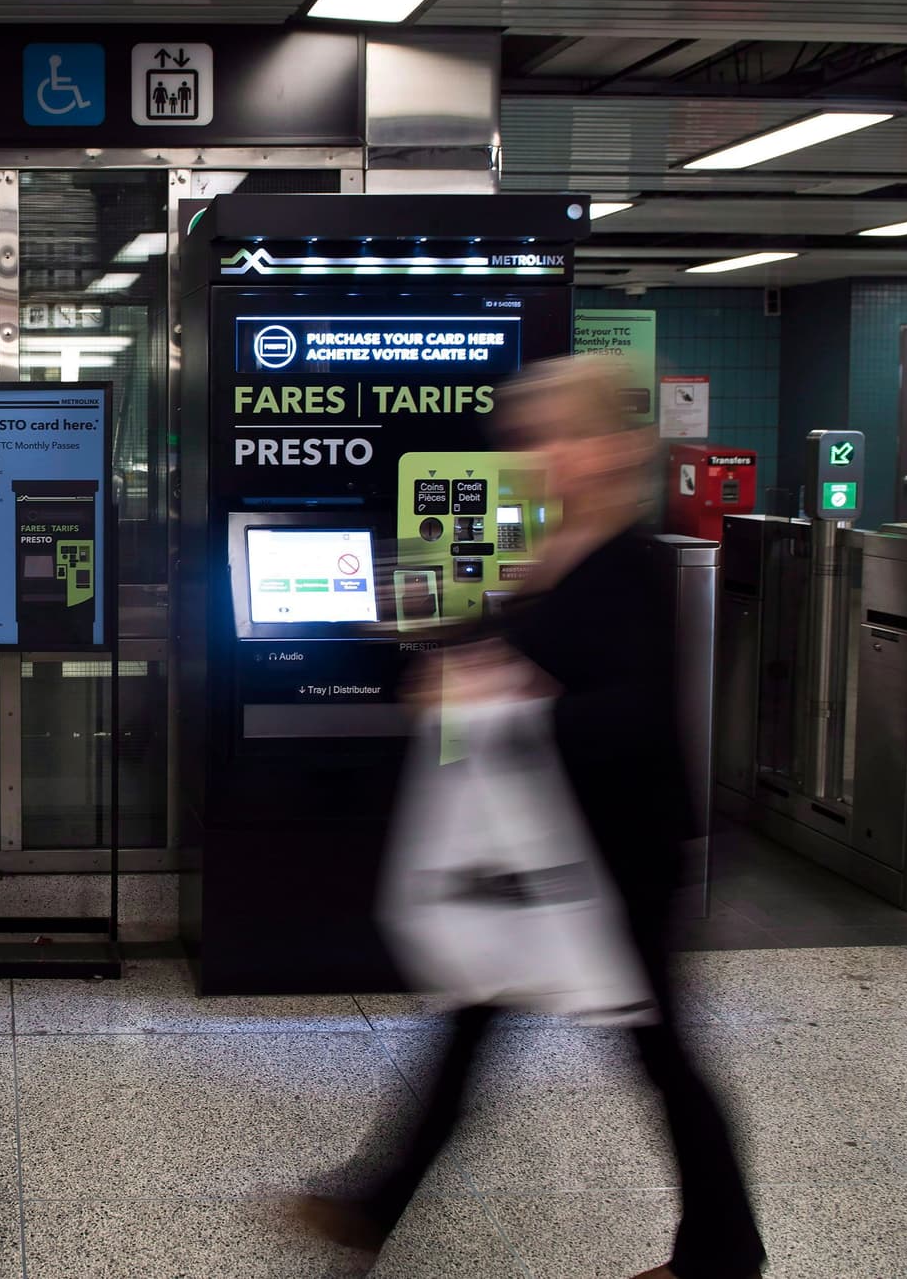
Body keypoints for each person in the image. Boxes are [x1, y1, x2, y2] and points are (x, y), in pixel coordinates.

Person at [298, 355, 766, 1279]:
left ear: (614, 446)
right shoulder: (564, 549)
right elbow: (516, 658)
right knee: (481, 1013)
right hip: (552, 844)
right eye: (532, 439)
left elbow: (627, 712)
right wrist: (433, 649)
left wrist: (502, 694)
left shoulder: (626, 561)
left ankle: (723, 1252)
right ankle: (374, 1202)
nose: (543, 457)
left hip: (618, 851)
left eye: (562, 436)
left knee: (656, 1052)